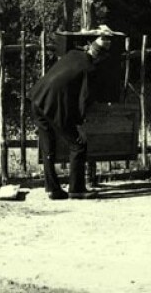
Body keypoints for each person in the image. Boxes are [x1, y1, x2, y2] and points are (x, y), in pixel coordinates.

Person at [29, 32, 112, 200]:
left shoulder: (73, 54)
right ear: (100, 57)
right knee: (78, 144)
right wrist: (80, 125)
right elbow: (83, 99)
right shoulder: (89, 69)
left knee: (48, 146)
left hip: (37, 98)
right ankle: (77, 188)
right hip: (53, 105)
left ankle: (52, 189)